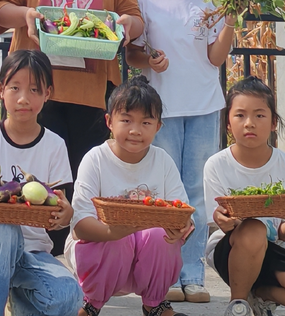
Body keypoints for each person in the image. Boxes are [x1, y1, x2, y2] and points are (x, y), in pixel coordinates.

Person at [0, 0, 144, 254]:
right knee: (28, 176)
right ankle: (25, 253)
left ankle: (71, 258)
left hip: (92, 95)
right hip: (34, 94)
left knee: (79, 178)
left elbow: (136, 19)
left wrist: (124, 25)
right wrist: (28, 14)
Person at [125, 0, 235, 304]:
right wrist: (151, 57)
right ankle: (167, 273)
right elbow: (132, 53)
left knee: (197, 193)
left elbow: (215, 58)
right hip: (162, 109)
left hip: (205, 106)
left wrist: (231, 23)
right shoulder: (146, 3)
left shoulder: (210, 2)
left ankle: (193, 275)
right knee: (166, 194)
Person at [0, 50, 83, 316]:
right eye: (15, 87)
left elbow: (61, 204)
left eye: (34, 90)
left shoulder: (55, 145)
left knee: (69, 297)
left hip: (33, 254)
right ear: (1, 90)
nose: (24, 98)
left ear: (48, 93)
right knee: (4, 229)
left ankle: (16, 298)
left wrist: (66, 215)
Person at [66, 76, 195, 316]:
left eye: (146, 122)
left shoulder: (163, 161)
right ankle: (92, 303)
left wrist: (182, 228)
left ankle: (155, 304)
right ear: (109, 122)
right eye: (126, 120)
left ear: (158, 126)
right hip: (103, 253)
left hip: (148, 256)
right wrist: (113, 232)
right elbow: (80, 225)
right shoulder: (95, 159)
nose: (135, 130)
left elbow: (183, 213)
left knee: (160, 234)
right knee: (117, 234)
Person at [203, 78, 285, 316]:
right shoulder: (217, 165)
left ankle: (260, 292)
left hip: (278, 245)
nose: (249, 123)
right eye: (240, 115)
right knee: (253, 229)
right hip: (231, 248)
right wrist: (225, 221)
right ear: (228, 123)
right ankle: (238, 304)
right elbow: (222, 224)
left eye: (259, 116)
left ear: (273, 122)